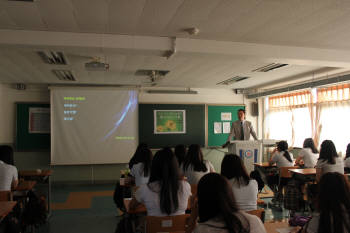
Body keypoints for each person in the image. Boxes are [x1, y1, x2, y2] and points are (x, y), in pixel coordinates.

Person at [186, 173, 266, 233]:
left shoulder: (201, 230)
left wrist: (193, 217)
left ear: (201, 202)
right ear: (229, 194)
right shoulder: (254, 221)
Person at [129, 147, 191, 216]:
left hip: (154, 226)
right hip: (179, 226)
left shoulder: (145, 188)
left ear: (154, 167)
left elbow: (131, 206)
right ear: (175, 167)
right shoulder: (185, 186)